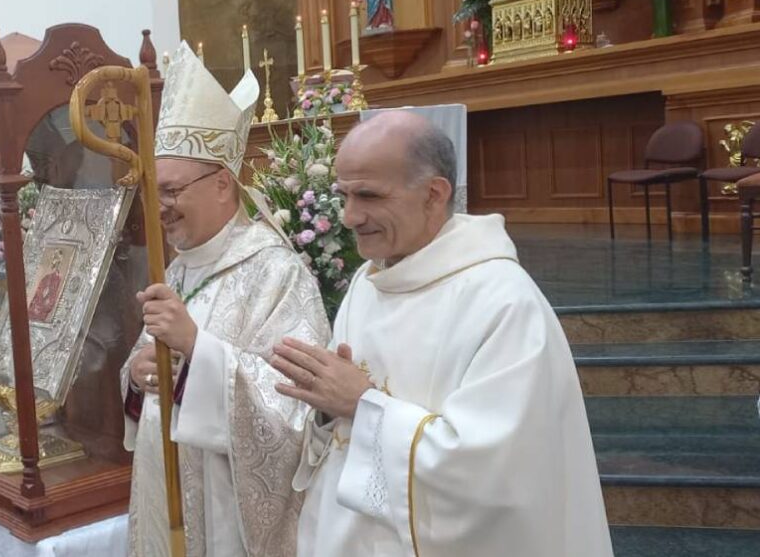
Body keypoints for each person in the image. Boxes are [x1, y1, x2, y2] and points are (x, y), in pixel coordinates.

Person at [272, 112, 613, 557]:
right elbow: (343, 433)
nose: (350, 217)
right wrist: (326, 407)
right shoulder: (368, 281)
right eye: (344, 196)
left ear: (434, 194)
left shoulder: (503, 304)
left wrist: (361, 404)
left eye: (369, 195)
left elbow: (492, 473)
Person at [122, 42, 330, 557]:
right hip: (161, 491)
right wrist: (138, 376)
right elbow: (148, 367)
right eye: (154, 191)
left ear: (221, 184)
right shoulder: (177, 268)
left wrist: (196, 347)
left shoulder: (276, 272)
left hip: (226, 516)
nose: (160, 207)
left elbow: (296, 408)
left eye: (172, 191)